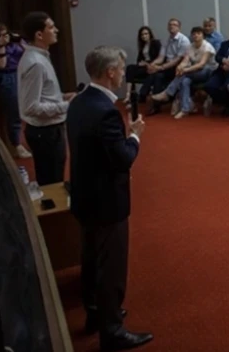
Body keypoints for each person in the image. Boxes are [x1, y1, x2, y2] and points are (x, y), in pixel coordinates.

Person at [67, 47, 152, 351]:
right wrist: (135, 136)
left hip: (84, 195)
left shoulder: (79, 102)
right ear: (110, 72)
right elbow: (122, 159)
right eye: (120, 67)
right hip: (107, 202)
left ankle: (95, 314)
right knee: (111, 266)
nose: (123, 72)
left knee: (90, 259)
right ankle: (112, 329)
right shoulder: (106, 112)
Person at [17, 12, 75, 186]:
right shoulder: (35, 63)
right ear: (39, 35)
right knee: (51, 183)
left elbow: (42, 94)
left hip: (49, 130)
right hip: (45, 132)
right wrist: (66, 105)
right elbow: (30, 107)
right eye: (51, 27)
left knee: (54, 177)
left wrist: (62, 96)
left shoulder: (40, 57)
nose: (56, 30)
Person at [0, 23, 31, 158]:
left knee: (28, 109)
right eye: (1, 35)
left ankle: (29, 140)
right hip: (7, 78)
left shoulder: (15, 43)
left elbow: (29, 52)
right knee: (14, 112)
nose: (6, 37)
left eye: (6, 34)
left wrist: (19, 39)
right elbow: (1, 65)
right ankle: (17, 145)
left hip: (22, 74)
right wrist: (1, 46)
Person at [150, 26, 216, 119]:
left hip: (208, 71)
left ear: (203, 36)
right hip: (194, 72)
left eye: (198, 33)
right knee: (184, 81)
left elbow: (201, 64)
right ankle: (185, 109)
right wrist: (180, 67)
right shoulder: (190, 46)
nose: (196, 35)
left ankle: (167, 93)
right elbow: (185, 61)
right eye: (194, 34)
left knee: (184, 74)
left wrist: (185, 70)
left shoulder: (207, 47)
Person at [141, 19, 190, 110]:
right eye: (170, 24)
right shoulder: (166, 40)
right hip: (167, 65)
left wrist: (160, 68)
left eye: (174, 25)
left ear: (179, 28)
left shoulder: (184, 40)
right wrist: (152, 65)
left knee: (157, 75)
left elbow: (177, 60)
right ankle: (153, 101)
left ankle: (149, 99)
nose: (172, 26)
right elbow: (161, 57)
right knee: (154, 73)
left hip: (178, 67)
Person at [125, 27, 161, 98]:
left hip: (152, 66)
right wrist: (141, 63)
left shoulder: (156, 43)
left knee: (137, 72)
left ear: (150, 34)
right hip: (143, 66)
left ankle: (139, 95)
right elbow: (139, 60)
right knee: (130, 68)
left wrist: (147, 63)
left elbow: (159, 58)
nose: (144, 36)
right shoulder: (142, 46)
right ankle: (128, 93)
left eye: (146, 34)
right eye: (142, 35)